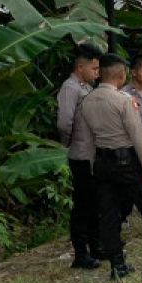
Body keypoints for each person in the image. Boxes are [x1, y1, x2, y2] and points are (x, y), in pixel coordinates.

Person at [72, 55, 142, 279]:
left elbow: (87, 141)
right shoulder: (122, 100)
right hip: (127, 161)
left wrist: (90, 168)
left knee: (109, 216)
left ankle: (118, 266)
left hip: (102, 163)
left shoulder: (87, 101)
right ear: (121, 75)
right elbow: (138, 137)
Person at [57, 45, 101, 269]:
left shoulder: (86, 87)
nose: (97, 72)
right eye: (93, 68)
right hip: (80, 154)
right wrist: (70, 142)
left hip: (91, 154)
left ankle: (96, 246)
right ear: (80, 66)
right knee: (83, 205)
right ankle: (80, 253)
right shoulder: (70, 88)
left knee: (93, 203)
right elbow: (65, 122)